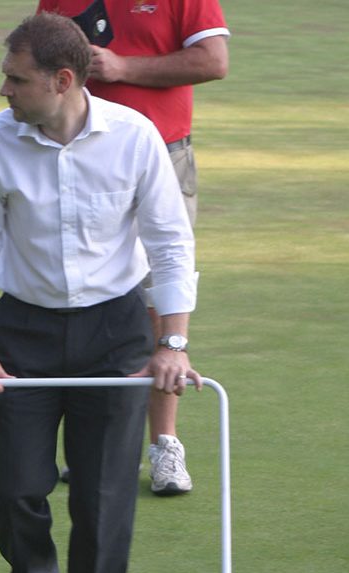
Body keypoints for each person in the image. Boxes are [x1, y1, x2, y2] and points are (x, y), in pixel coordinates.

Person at [0, 13, 201, 573]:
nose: (3, 90)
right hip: (22, 329)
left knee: (104, 498)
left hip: (113, 331)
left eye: (15, 78)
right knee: (12, 489)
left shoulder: (135, 138)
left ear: (62, 81)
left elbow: (171, 244)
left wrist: (171, 341)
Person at [37, 0, 230, 495]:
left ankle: (165, 446)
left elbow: (213, 60)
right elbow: (37, 58)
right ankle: (94, 447)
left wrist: (124, 68)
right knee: (84, 289)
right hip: (80, 158)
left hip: (163, 154)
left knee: (161, 298)